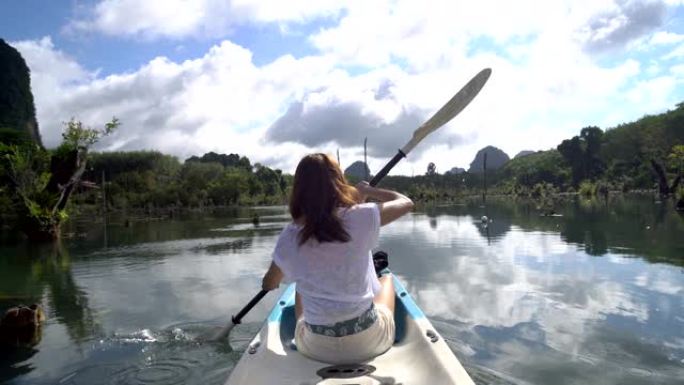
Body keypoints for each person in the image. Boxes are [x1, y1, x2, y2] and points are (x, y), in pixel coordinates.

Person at [261, 153, 413, 364]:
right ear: (339, 183)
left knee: (298, 288)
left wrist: (275, 276)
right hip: (367, 342)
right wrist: (367, 191)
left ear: (299, 191)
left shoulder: (290, 236)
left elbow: (269, 284)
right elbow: (405, 202)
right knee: (386, 280)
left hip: (315, 348)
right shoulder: (362, 216)